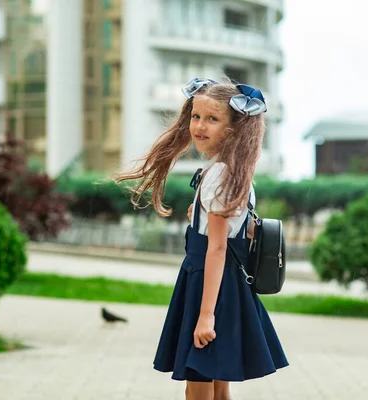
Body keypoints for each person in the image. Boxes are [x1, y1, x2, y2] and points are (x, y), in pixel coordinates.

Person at [112, 77, 288, 400]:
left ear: (233, 128)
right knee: (219, 389)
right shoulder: (233, 172)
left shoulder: (218, 175)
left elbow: (218, 247)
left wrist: (206, 314)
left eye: (212, 119)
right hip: (225, 286)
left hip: (208, 286)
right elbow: (237, 231)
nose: (200, 126)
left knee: (198, 389)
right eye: (196, 116)